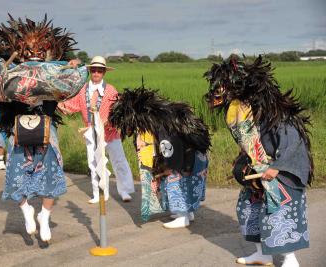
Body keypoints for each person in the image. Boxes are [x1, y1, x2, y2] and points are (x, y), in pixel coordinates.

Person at [0, 14, 87, 243]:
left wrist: (72, 67)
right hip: (18, 130)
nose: (34, 53)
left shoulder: (53, 73)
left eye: (39, 48)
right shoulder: (12, 75)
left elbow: (73, 84)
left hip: (47, 130)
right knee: (16, 175)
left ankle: (45, 216)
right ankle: (26, 210)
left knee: (52, 176)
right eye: (29, 50)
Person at [204, 55, 312, 267]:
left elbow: (294, 143)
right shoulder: (245, 111)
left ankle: (290, 260)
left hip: (278, 175)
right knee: (249, 210)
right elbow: (250, 142)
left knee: (279, 216)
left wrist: (277, 168)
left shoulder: (276, 114)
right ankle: (262, 254)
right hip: (257, 173)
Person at [109, 88, 210, 228]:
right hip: (192, 156)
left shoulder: (160, 124)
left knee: (174, 181)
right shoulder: (158, 118)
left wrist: (167, 167)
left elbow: (169, 145)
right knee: (185, 183)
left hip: (186, 157)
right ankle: (188, 213)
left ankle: (183, 217)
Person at [58, 56, 135, 204]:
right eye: (93, 70)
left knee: (119, 160)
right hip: (91, 132)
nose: (96, 73)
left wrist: (108, 121)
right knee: (93, 162)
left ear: (104, 73)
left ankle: (124, 190)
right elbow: (71, 105)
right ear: (90, 71)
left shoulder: (111, 90)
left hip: (110, 132)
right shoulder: (83, 90)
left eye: (99, 71)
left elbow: (117, 110)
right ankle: (99, 192)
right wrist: (57, 102)